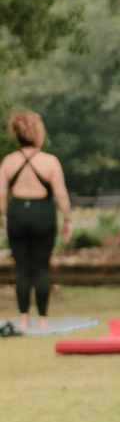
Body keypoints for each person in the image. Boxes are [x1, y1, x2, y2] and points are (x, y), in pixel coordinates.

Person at [0, 112, 72, 331]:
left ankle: (23, 318)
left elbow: (1, 194)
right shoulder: (50, 161)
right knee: (41, 268)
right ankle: (42, 320)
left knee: (22, 269)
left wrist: (4, 218)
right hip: (42, 213)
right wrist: (67, 219)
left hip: (17, 212)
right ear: (38, 133)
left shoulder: (9, 162)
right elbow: (60, 194)